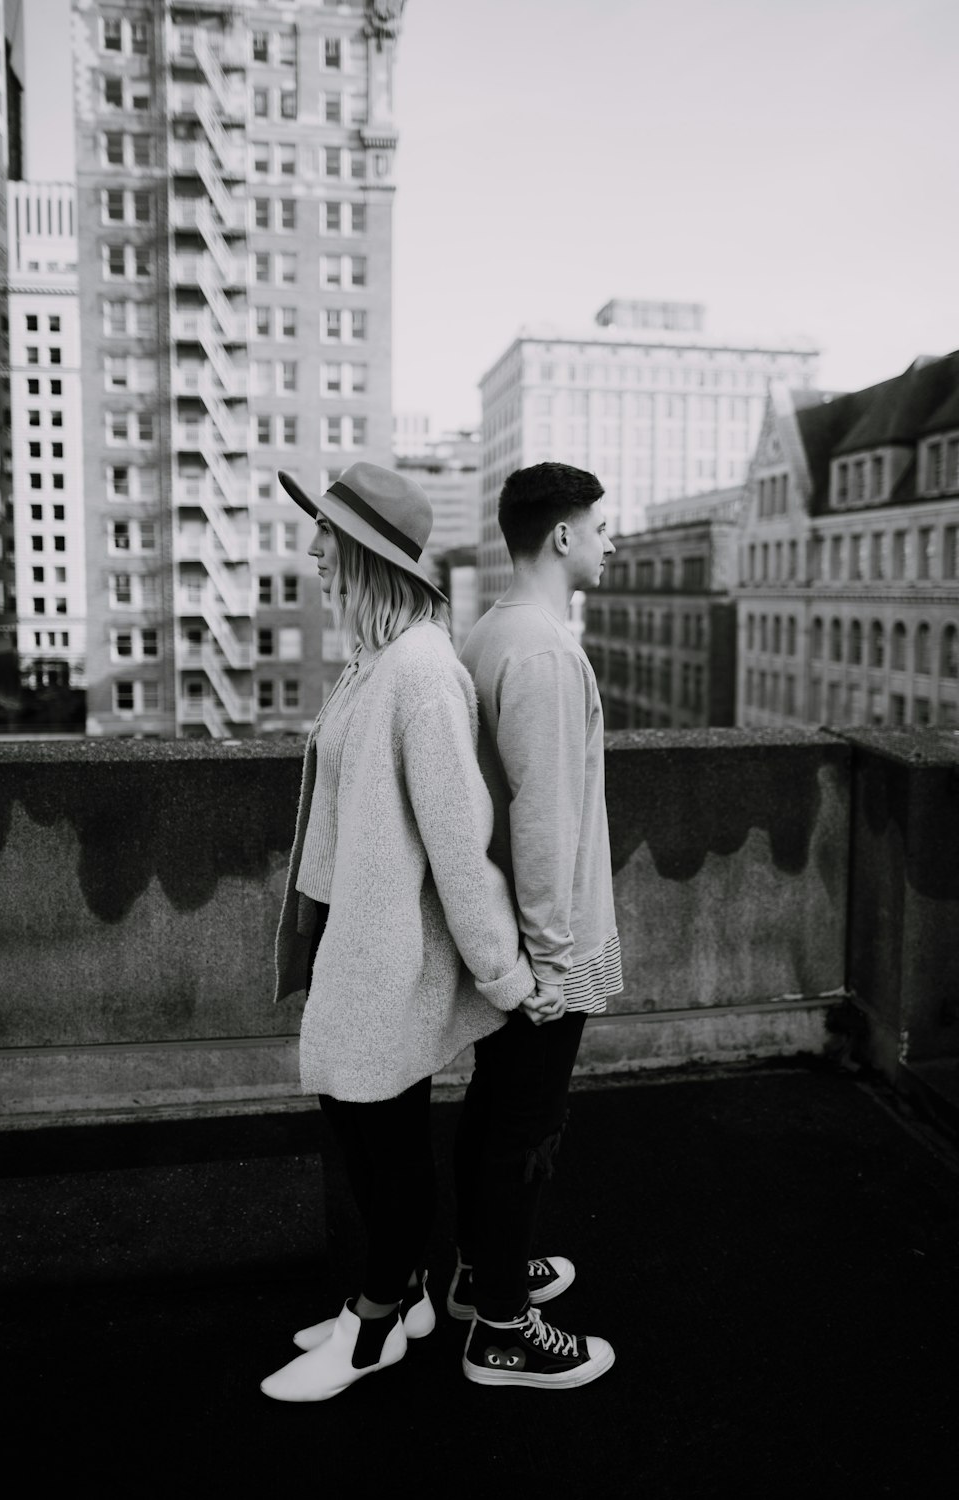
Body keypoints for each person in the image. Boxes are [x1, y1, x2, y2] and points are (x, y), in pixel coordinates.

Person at [260, 461, 537, 1404]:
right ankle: (405, 1292)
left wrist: (502, 976)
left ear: (365, 555)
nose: (311, 552)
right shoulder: (378, 659)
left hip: (387, 952)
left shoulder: (419, 671)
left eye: (325, 538)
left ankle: (377, 1322)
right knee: (363, 1126)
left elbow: (463, 842)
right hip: (357, 943)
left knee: (381, 1142)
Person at [451, 461, 621, 1390]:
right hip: (542, 941)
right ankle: (504, 1332)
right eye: (601, 527)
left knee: (495, 1113)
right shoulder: (546, 653)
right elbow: (545, 819)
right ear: (561, 536)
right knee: (526, 1126)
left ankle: (486, 1279)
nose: (610, 541)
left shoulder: (491, 631)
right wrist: (556, 965)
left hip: (510, 931)